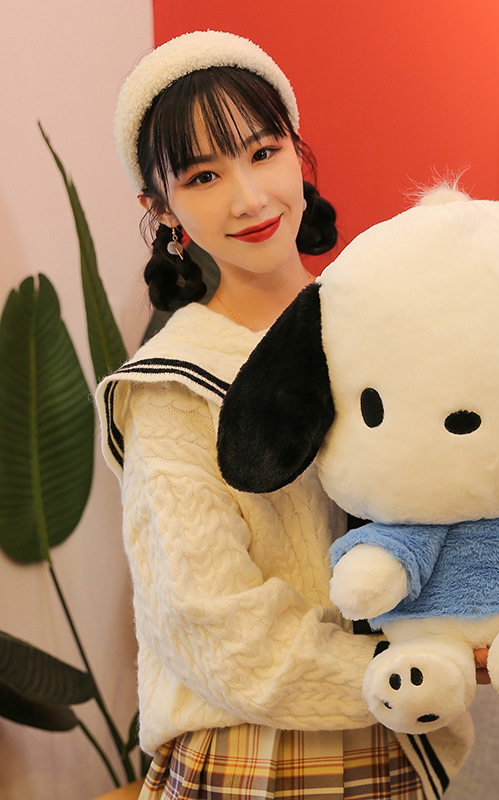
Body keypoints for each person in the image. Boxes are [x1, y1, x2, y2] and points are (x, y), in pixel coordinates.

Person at [96, 30, 473, 800]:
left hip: (400, 734)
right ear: (161, 208)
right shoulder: (172, 387)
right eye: (203, 175)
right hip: (256, 757)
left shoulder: (378, 327)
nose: (249, 197)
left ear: (298, 154)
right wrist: (414, 670)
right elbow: (212, 628)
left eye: (263, 152)